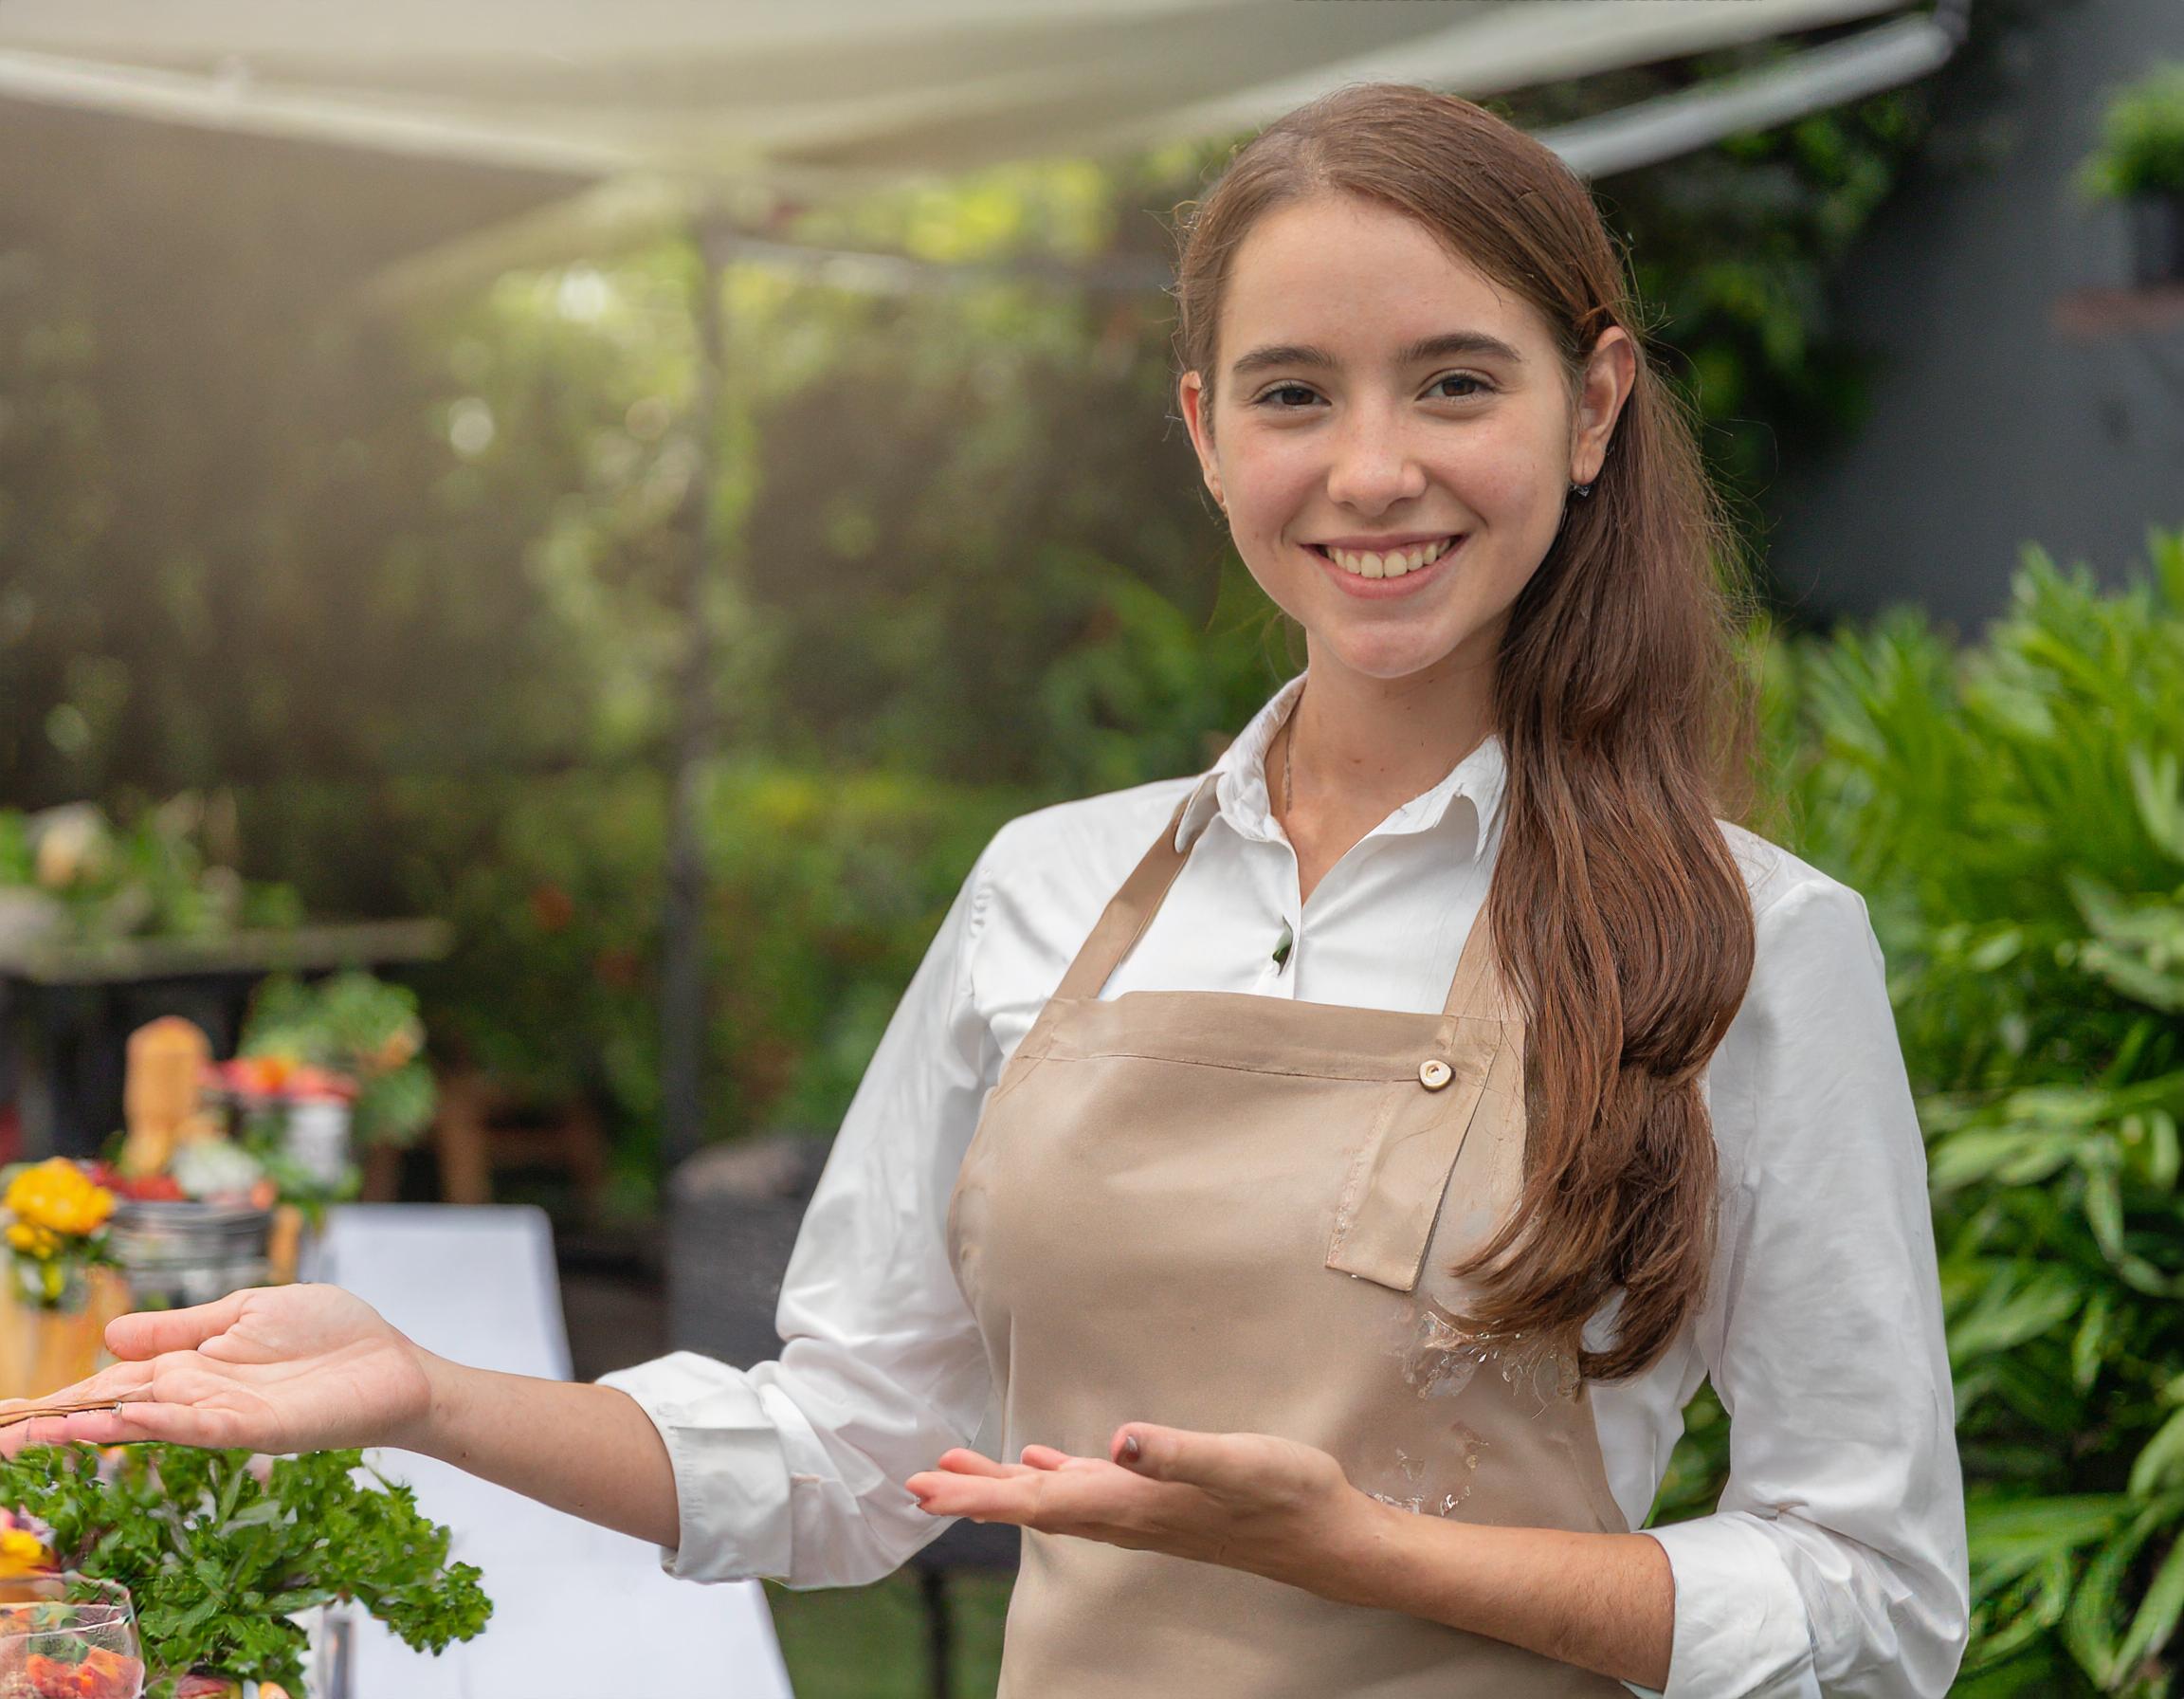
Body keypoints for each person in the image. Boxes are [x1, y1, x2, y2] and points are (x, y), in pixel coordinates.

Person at [3, 83, 1969, 1698]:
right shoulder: (1049, 883)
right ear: (1204, 433)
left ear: (1596, 406)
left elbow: (1874, 1594)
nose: (1374, 468)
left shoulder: (1752, 942)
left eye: (1456, 382)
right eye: (1294, 393)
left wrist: (1377, 1553)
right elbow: (848, 1453)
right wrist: (429, 1392)